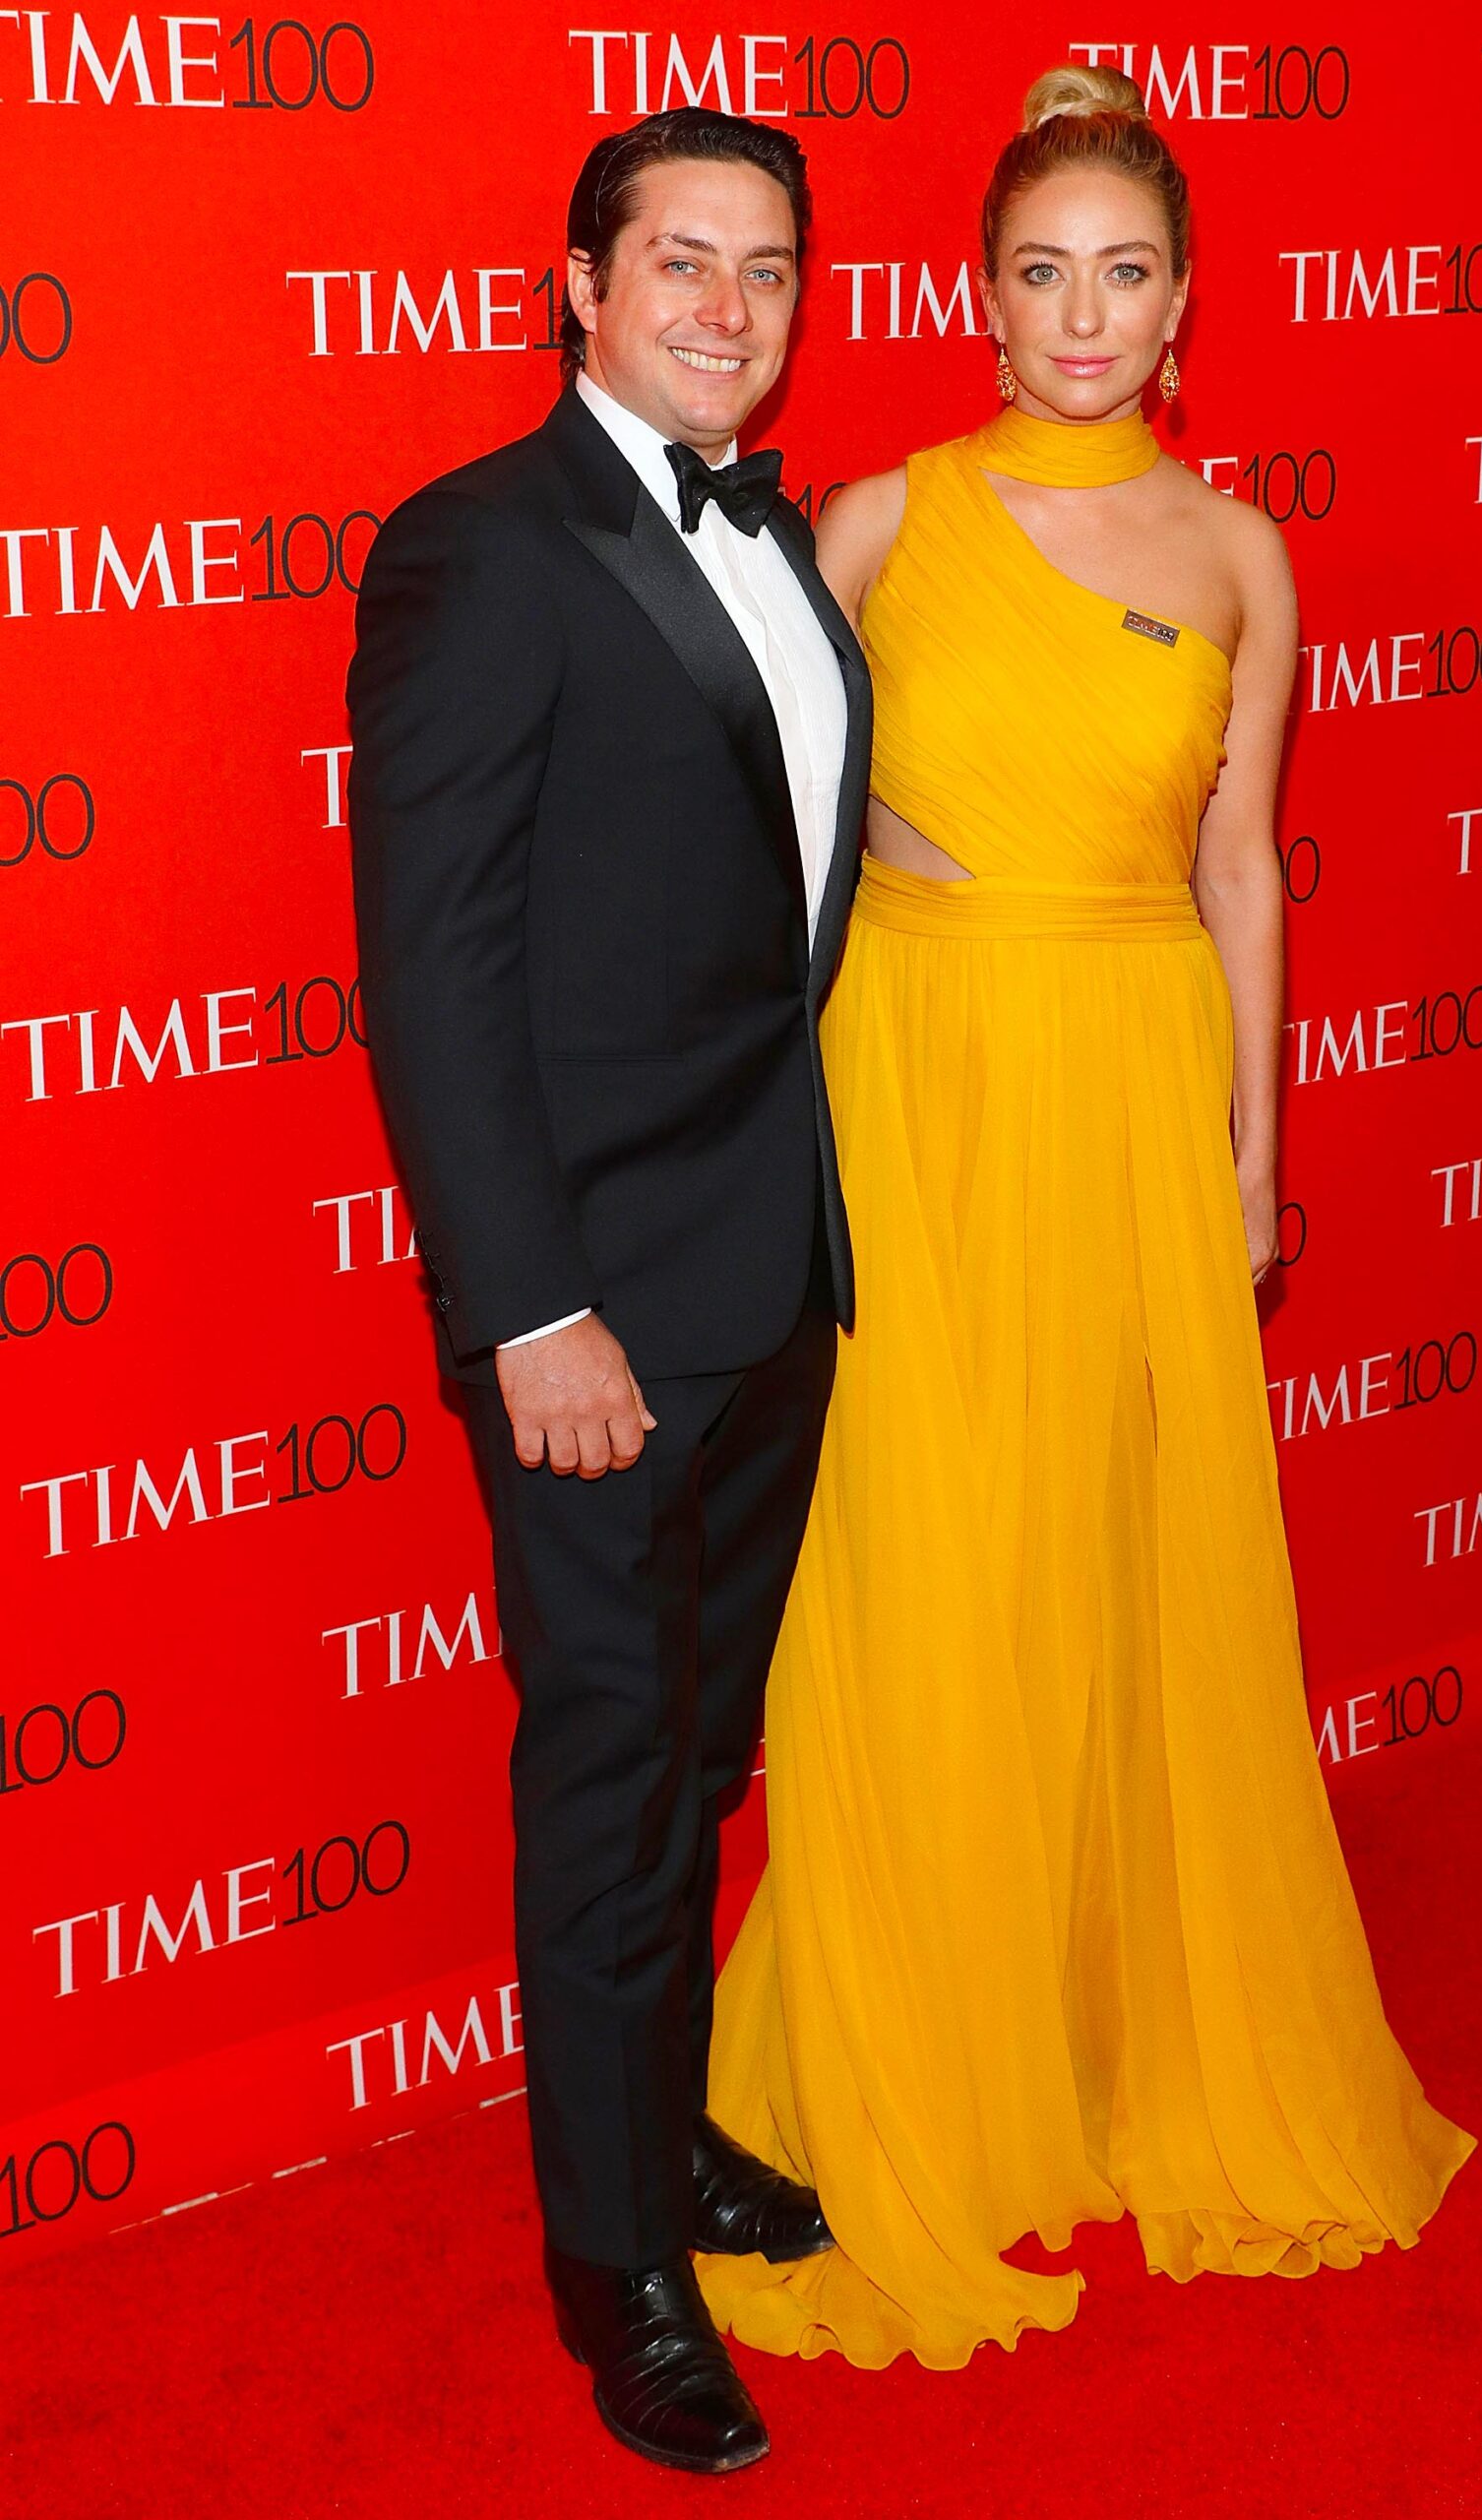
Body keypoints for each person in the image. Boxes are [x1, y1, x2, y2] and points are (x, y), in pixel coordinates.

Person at [699, 64, 1475, 2371]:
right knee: (924, 1566)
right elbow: (745, 826)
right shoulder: (870, 516)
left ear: (1182, 304)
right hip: (916, 1087)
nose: (1078, 312)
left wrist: (1250, 1150)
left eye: (1121, 272)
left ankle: (1112, 2026)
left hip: (1133, 1090)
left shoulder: (1241, 554)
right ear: (976, 291)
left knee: (1123, 1566)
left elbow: (1241, 869)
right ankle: (922, 2053)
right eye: (1036, 270)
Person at [346, 107, 872, 2472]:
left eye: (765, 266)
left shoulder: (787, 540)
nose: (726, 305)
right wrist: (526, 1302)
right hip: (593, 1317)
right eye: (679, 260)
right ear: (574, 281)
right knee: (605, 1782)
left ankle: (658, 2154)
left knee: (697, 1760)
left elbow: (770, 898)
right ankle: (614, 2268)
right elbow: (434, 965)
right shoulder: (482, 546)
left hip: (768, 1273)